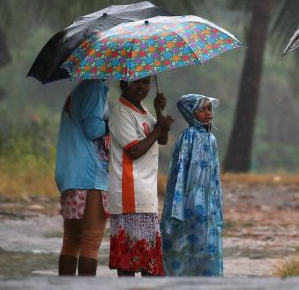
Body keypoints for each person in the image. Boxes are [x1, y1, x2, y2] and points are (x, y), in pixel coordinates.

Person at [107, 76, 174, 277]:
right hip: (130, 194)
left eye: (146, 82)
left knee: (150, 262)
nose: (142, 87)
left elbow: (160, 139)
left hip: (145, 193)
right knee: (129, 262)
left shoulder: (143, 109)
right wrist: (158, 130)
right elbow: (134, 151)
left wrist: (159, 112)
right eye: (137, 82)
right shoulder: (121, 113)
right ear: (124, 84)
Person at [161, 94, 224, 276]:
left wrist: (217, 205)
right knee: (188, 246)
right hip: (190, 203)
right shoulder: (188, 137)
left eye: (209, 108)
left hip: (208, 203)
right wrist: (181, 205)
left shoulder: (211, 138)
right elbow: (180, 174)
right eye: (202, 109)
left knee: (207, 249)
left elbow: (215, 176)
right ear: (190, 112)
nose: (208, 113)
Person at [54, 79, 110, 276]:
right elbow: (93, 129)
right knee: (91, 241)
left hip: (72, 173)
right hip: (90, 174)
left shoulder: (80, 89)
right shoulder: (94, 88)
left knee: (71, 241)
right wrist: (114, 122)